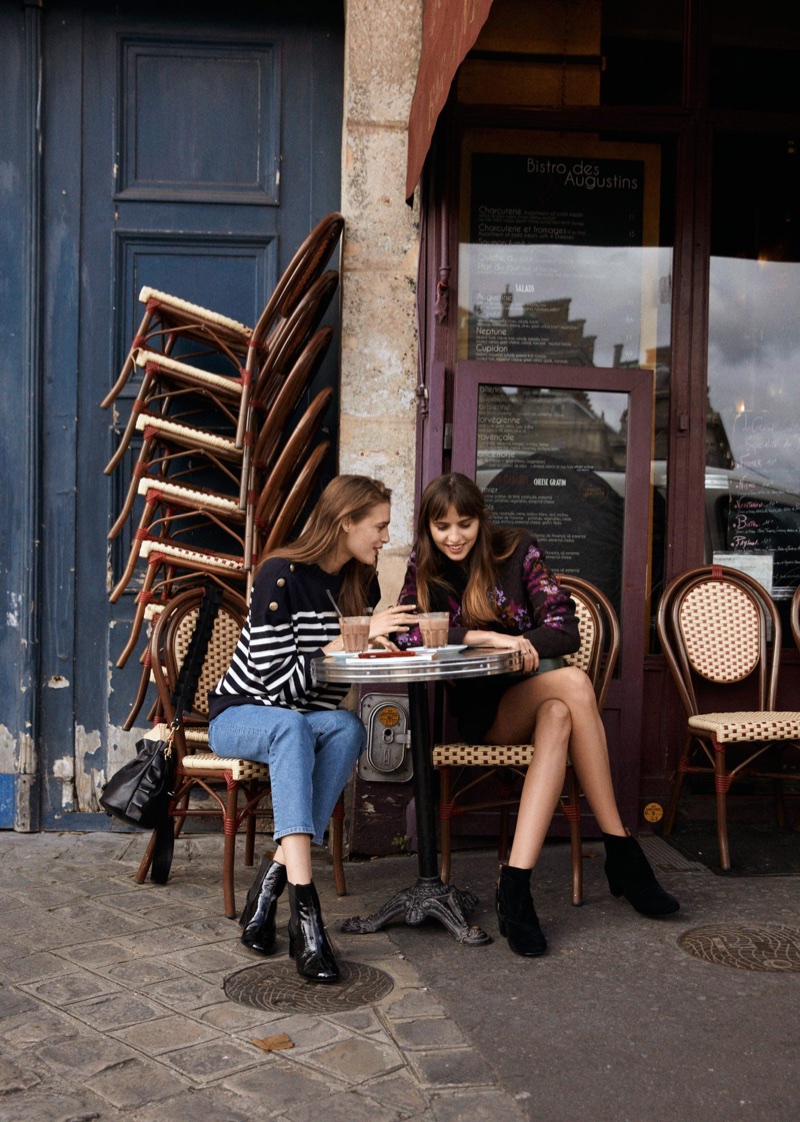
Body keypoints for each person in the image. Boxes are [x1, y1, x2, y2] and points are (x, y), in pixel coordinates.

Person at [395, 472, 679, 958]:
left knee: (559, 712)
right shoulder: (425, 567)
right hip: (483, 712)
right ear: (429, 528)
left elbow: (564, 630)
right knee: (572, 683)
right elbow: (406, 634)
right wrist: (486, 637)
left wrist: (525, 642)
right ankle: (621, 851)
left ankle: (517, 886)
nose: (455, 536)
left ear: (482, 520)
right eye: (442, 526)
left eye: (465, 523)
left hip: (534, 695)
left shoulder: (517, 551)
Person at [208, 475, 417, 982]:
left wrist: (373, 648)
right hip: (241, 714)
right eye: (380, 526)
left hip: (298, 721)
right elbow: (278, 690)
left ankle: (268, 887)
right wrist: (344, 644)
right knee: (291, 729)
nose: (386, 539)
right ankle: (307, 916)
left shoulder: (357, 583)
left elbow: (339, 681)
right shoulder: (279, 575)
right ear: (346, 522)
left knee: (347, 728)